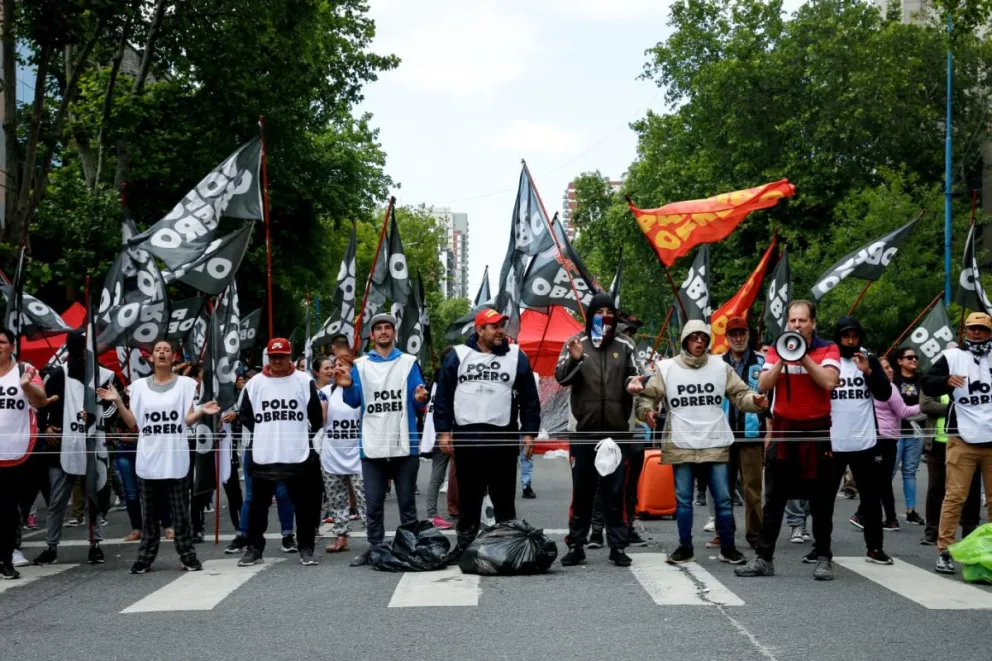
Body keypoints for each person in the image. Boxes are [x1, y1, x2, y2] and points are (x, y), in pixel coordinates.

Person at [637, 320, 766, 566]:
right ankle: (685, 547)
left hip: (714, 441)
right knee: (684, 500)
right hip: (681, 442)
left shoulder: (720, 367)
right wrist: (647, 412)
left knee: (724, 500)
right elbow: (648, 397)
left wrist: (755, 401)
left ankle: (728, 548)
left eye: (704, 338)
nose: (700, 341)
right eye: (694, 337)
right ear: (685, 340)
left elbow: (740, 394)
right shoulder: (666, 368)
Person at [736, 300, 840, 580]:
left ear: (812, 323)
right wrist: (784, 356)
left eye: (802, 321)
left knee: (821, 500)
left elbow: (829, 382)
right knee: (774, 499)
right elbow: (763, 385)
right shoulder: (776, 348)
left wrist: (803, 356)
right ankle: (764, 558)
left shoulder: (828, 348)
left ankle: (823, 557)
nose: (796, 325)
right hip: (784, 431)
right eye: (792, 321)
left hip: (816, 431)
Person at [97, 339, 214, 573]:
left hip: (175, 458)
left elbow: (187, 418)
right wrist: (118, 401)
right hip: (148, 459)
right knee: (149, 515)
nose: (162, 353)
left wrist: (202, 411)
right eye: (157, 350)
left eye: (166, 350)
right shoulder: (138, 386)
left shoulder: (186, 384)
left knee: (180, 514)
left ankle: (188, 556)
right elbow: (133, 422)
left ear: (173, 357)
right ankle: (145, 558)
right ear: (151, 357)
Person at [434, 307, 541, 562]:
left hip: (503, 437)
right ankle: (464, 544)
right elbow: (443, 396)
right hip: (467, 436)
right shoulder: (459, 355)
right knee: (469, 497)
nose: (500, 331)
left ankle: (507, 546)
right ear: (479, 330)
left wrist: (529, 433)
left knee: (504, 497)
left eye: (502, 326)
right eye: (494, 327)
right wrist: (443, 432)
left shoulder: (516, 356)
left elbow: (529, 398)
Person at [555, 293, 642, 568]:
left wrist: (635, 383)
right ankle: (576, 545)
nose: (604, 316)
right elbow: (561, 378)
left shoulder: (625, 344)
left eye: (609, 311)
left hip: (618, 432)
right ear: (589, 314)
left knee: (615, 492)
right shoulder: (574, 342)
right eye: (599, 311)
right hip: (583, 431)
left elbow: (636, 374)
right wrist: (576, 360)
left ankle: (618, 547)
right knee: (582, 492)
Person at [337, 314, 429, 567]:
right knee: (373, 504)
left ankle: (410, 546)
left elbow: (417, 399)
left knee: (407, 504)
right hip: (372, 445)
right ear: (372, 335)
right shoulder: (360, 365)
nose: (383, 332)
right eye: (378, 328)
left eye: (388, 327)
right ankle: (375, 548)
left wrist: (419, 399)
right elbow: (353, 401)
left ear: (394, 333)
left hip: (404, 444)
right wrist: (347, 386)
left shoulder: (409, 362)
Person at [237, 337, 323, 567]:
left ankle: (306, 548)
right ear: (268, 358)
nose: (277, 361)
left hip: (297, 455)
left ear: (289, 356)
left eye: (281, 357)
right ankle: (255, 549)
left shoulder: (304, 381)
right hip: (264, 455)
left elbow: (316, 417)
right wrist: (266, 433)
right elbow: (246, 416)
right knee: (258, 506)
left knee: (304, 506)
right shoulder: (255, 384)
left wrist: (299, 435)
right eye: (273, 357)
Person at [32, 330, 115, 567]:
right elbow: (40, 404)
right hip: (62, 446)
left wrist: (97, 416)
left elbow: (113, 407)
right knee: (57, 501)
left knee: (93, 498)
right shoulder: (58, 374)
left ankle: (95, 544)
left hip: (92, 444)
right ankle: (51, 546)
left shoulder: (103, 375)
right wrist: (46, 428)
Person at [819, 317, 893, 565]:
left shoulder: (868, 359)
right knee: (824, 500)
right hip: (833, 441)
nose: (850, 341)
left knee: (871, 499)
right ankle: (821, 549)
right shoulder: (828, 361)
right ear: (838, 338)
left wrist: (869, 372)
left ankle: (875, 547)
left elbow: (885, 394)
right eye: (846, 336)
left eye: (854, 337)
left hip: (865, 442)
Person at [922, 312, 992, 575]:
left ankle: (989, 551)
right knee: (954, 497)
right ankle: (945, 550)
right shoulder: (952, 356)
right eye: (972, 329)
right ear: (965, 331)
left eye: (982, 329)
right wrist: (946, 382)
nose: (977, 333)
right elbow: (927, 383)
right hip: (962, 437)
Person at [0, 328, 49, 580]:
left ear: (11, 346)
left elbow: (40, 401)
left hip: (16, 454)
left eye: (2, 342)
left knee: (8, 510)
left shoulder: (25, 370)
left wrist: (27, 387)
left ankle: (6, 559)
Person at [853, 356, 919, 531]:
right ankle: (872, 516)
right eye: (885, 368)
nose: (890, 370)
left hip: (880, 437)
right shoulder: (888, 387)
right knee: (880, 480)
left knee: (881, 479)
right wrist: (924, 407)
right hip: (883, 438)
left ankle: (882, 517)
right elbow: (904, 412)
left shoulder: (874, 386)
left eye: (890, 367)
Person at [721, 316, 767, 550]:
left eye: (742, 333)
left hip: (752, 435)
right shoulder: (717, 363)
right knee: (723, 491)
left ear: (748, 335)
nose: (738, 338)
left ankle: (756, 536)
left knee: (753, 491)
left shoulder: (762, 362)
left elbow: (771, 398)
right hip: (723, 435)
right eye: (733, 334)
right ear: (727, 338)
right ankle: (724, 534)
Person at [319, 343, 367, 554]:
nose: (336, 369)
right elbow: (320, 419)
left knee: (366, 498)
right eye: (334, 366)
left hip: (357, 454)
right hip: (332, 454)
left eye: (342, 365)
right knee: (336, 498)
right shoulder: (325, 392)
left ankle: (374, 537)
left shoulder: (361, 391)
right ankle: (341, 536)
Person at [918, 388, 982, 547]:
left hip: (968, 443)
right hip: (938, 443)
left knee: (971, 490)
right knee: (936, 489)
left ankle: (969, 531)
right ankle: (932, 532)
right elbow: (926, 405)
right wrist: (958, 407)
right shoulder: (935, 380)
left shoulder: (971, 380)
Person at [889, 346, 926, 526]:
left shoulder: (922, 380)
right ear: (899, 361)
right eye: (909, 357)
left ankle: (911, 511)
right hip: (895, 433)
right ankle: (880, 510)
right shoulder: (893, 380)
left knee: (910, 472)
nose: (914, 360)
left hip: (916, 432)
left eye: (915, 357)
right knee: (889, 471)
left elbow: (927, 403)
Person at [423, 346, 455, 530]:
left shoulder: (436, 381)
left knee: (437, 475)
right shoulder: (451, 380)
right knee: (467, 474)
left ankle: (431, 514)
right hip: (449, 432)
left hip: (436, 432)